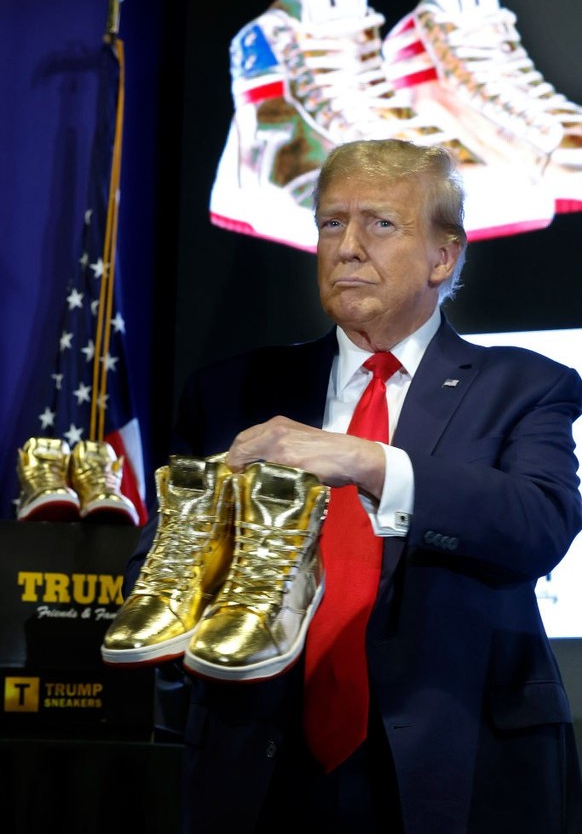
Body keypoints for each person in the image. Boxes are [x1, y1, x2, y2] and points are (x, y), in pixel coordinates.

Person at [123, 138, 582, 834]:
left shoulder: (524, 385)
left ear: (444, 255)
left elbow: (540, 524)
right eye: (332, 223)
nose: (347, 246)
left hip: (459, 763)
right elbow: (156, 565)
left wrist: (369, 463)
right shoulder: (231, 391)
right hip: (262, 768)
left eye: (381, 223)